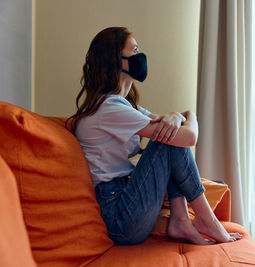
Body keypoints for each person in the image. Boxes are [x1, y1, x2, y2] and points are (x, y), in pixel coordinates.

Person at [66, 27, 242, 245]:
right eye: (135, 50)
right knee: (167, 140)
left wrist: (179, 116)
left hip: (123, 201)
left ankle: (181, 220)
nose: (140, 56)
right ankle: (205, 220)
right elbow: (188, 138)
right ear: (116, 60)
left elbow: (176, 129)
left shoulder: (122, 105)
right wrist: (186, 116)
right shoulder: (109, 108)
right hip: (119, 217)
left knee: (168, 138)